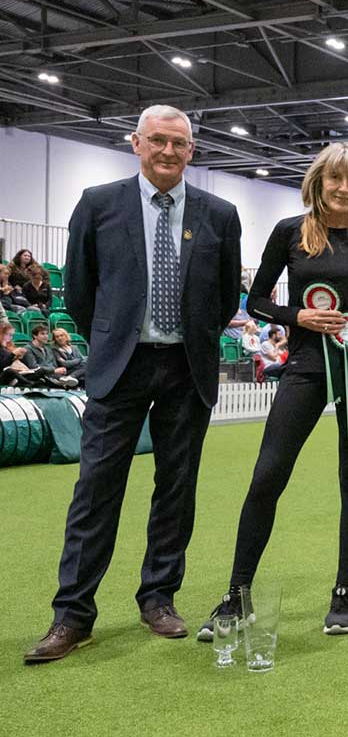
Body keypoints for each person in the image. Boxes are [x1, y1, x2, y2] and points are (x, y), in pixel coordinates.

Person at [24, 105, 242, 664]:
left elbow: (222, 299)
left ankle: (159, 597)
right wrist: (119, 334)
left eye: (180, 143)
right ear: (136, 144)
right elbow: (78, 289)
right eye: (159, 141)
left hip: (186, 366)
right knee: (96, 490)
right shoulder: (99, 204)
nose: (170, 152)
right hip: (118, 366)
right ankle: (72, 614)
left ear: (192, 150)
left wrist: (185, 335)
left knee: (176, 489)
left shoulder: (220, 213)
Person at [199, 142, 348, 640]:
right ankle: (236, 596)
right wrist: (298, 317)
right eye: (335, 179)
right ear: (318, 182)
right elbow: (257, 300)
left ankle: (343, 595)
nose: (344, 189)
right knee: (267, 474)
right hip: (305, 363)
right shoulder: (289, 233)